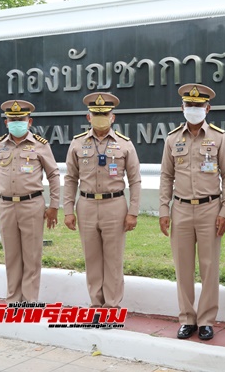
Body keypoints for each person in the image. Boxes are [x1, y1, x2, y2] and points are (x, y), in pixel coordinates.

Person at [159, 83, 225, 341]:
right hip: (180, 208)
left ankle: (206, 320)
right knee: (182, 267)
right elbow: (166, 176)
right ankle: (187, 318)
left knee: (209, 266)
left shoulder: (219, 137)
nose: (193, 109)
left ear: (208, 108)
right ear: (182, 108)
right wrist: (163, 210)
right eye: (189, 105)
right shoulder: (172, 139)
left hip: (210, 209)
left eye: (198, 106)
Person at [64, 92, 141, 316]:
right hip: (86, 205)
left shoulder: (125, 145)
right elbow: (70, 179)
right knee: (92, 258)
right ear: (88, 117)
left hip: (114, 205)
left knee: (113, 259)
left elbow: (135, 180)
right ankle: (96, 305)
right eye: (96, 114)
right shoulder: (78, 144)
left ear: (112, 117)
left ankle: (112, 306)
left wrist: (133, 211)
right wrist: (68, 210)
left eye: (104, 114)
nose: (100, 117)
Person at [0, 100, 60, 303]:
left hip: (31, 205)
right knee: (11, 256)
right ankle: (13, 300)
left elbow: (53, 174)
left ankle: (29, 301)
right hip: (6, 206)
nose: (16, 122)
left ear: (29, 122)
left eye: (21, 119)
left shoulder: (40, 145)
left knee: (31, 256)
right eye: (13, 119)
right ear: (6, 122)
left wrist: (54, 206)